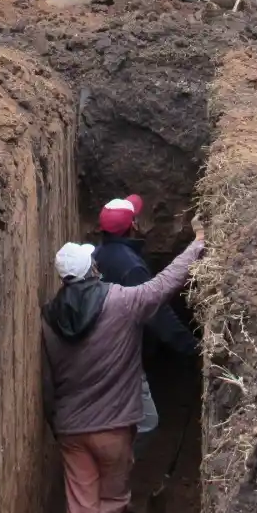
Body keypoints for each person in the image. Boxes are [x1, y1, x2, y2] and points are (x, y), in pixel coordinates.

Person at [42, 228, 206, 513]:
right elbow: (164, 285)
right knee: (116, 499)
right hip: (114, 428)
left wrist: (54, 423)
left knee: (81, 510)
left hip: (71, 431)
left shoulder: (48, 318)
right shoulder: (121, 301)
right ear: (92, 270)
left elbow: (47, 383)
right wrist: (197, 245)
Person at [91, 195, 199, 458]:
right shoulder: (131, 267)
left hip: (96, 350)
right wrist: (193, 349)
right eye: (136, 216)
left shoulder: (97, 254)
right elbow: (157, 314)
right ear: (132, 226)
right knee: (146, 423)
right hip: (120, 355)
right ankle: (117, 464)